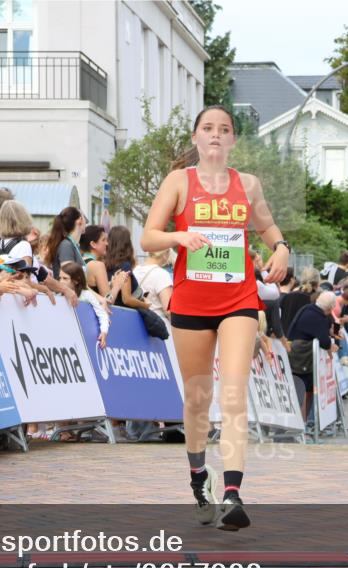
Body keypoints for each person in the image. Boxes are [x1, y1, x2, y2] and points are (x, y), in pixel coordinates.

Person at [141, 105, 289, 532]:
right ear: (195, 137)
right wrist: (178, 235)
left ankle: (233, 493)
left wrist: (281, 248)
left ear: (233, 141)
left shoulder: (249, 185)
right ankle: (197, 476)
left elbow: (268, 228)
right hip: (190, 302)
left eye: (224, 129)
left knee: (234, 393)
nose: (216, 135)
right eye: (208, 128)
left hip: (238, 299)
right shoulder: (178, 182)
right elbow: (148, 235)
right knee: (197, 400)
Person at [287, 291, 338, 426]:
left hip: (297, 353)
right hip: (301, 357)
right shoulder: (317, 316)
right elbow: (324, 341)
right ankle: (301, 423)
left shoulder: (309, 309)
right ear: (330, 307)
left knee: (307, 388)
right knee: (304, 389)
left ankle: (303, 421)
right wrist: (331, 343)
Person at [61, 261, 110, 348]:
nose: (61, 281)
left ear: (76, 281)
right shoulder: (58, 295)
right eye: (59, 278)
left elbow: (103, 314)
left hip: (83, 340)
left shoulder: (86, 295)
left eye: (65, 278)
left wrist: (104, 332)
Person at [105, 225, 151, 312]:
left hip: (113, 312)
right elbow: (126, 299)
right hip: (126, 314)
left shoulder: (105, 264)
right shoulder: (124, 265)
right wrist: (145, 305)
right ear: (127, 244)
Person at [41, 206, 86, 277]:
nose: (86, 222)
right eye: (84, 218)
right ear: (80, 220)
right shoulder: (66, 245)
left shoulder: (72, 245)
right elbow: (67, 278)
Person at [134, 249, 174, 322]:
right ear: (165, 254)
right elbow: (169, 310)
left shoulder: (136, 270)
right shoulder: (162, 274)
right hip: (159, 326)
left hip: (140, 324)